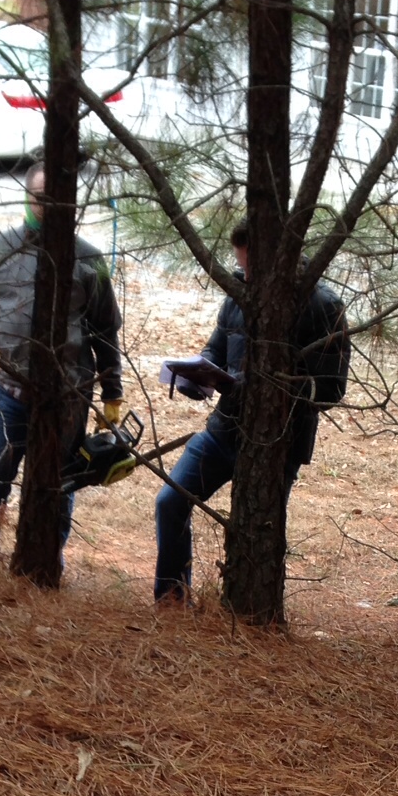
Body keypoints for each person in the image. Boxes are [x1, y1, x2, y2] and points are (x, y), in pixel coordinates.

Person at [155, 222, 350, 602]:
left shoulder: (323, 306)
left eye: (252, 268)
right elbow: (215, 348)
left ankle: (248, 608)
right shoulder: (238, 294)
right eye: (241, 267)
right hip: (223, 430)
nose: (245, 275)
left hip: (279, 444)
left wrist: (262, 386)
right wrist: (198, 374)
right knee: (170, 501)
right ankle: (172, 599)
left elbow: (331, 389)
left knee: (256, 529)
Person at [0, 163, 124, 561]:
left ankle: (46, 560)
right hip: (12, 394)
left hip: (67, 398)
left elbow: (104, 331)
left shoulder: (89, 259)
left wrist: (111, 393)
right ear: (27, 198)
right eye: (40, 199)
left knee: (57, 485)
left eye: (56, 199)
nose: (47, 206)